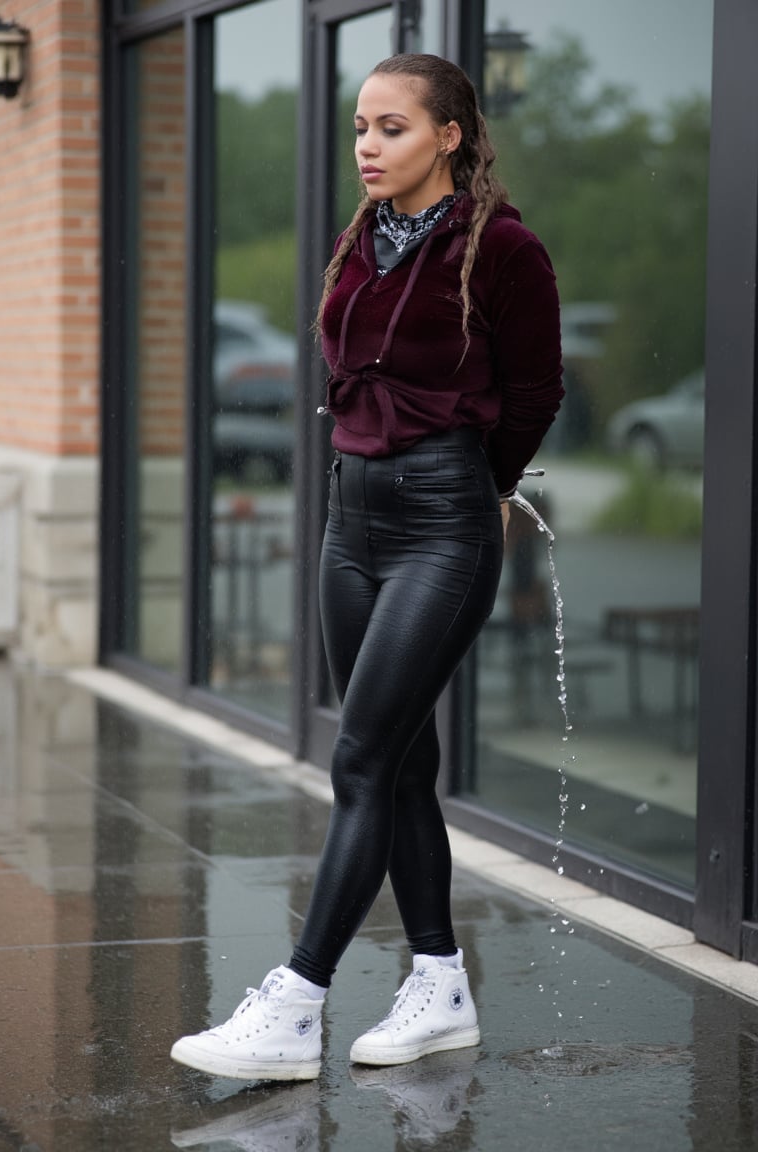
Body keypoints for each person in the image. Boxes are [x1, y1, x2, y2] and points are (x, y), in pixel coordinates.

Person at [171, 52, 563, 1083]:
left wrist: (477, 482)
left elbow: (535, 391)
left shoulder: (504, 249)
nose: (367, 147)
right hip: (351, 522)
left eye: (392, 128)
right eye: (359, 128)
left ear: (449, 136)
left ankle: (295, 1004)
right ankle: (440, 986)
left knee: (356, 761)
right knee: (401, 767)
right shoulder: (363, 243)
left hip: (441, 523)